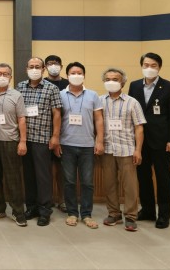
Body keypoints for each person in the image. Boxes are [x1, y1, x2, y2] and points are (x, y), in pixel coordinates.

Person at [128, 52, 170, 229]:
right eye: (146, 65)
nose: (149, 68)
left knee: (163, 178)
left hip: (161, 141)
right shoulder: (134, 86)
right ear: (141, 66)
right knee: (143, 176)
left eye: (153, 65)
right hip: (140, 141)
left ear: (159, 67)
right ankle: (148, 210)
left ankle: (164, 215)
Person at [16, 57, 62, 226]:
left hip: (42, 139)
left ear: (43, 69)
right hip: (24, 139)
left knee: (43, 177)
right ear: (26, 69)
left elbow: (57, 113)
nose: (34, 69)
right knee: (28, 176)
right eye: (31, 66)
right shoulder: (20, 86)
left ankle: (44, 210)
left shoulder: (51, 88)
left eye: (37, 67)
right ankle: (31, 207)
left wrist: (55, 136)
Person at [100, 67, 146, 232]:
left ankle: (131, 216)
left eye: (115, 79)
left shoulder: (132, 102)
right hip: (107, 149)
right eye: (108, 79)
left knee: (130, 185)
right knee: (110, 183)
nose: (111, 82)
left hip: (126, 149)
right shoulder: (99, 101)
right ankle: (114, 213)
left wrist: (138, 150)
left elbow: (139, 128)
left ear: (123, 82)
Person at [60, 62, 104, 229]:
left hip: (87, 145)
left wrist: (99, 141)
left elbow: (99, 119)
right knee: (69, 181)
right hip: (66, 144)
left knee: (87, 182)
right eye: (73, 73)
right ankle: (72, 213)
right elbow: (55, 119)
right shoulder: (60, 94)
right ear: (67, 75)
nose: (76, 75)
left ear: (84, 76)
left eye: (79, 72)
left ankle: (86, 214)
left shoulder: (93, 95)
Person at [0, 63, 28, 227]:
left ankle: (18, 211)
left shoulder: (17, 95)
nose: (1, 76)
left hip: (10, 141)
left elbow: (21, 119)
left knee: (13, 178)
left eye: (5, 74)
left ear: (10, 77)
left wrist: (22, 141)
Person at [44, 55, 68, 212]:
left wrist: (57, 135)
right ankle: (48, 199)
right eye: (50, 63)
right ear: (45, 67)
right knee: (46, 169)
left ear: (61, 66)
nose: (53, 66)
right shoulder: (42, 83)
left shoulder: (68, 84)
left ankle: (63, 200)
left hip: (64, 131)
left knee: (62, 169)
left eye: (56, 63)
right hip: (44, 131)